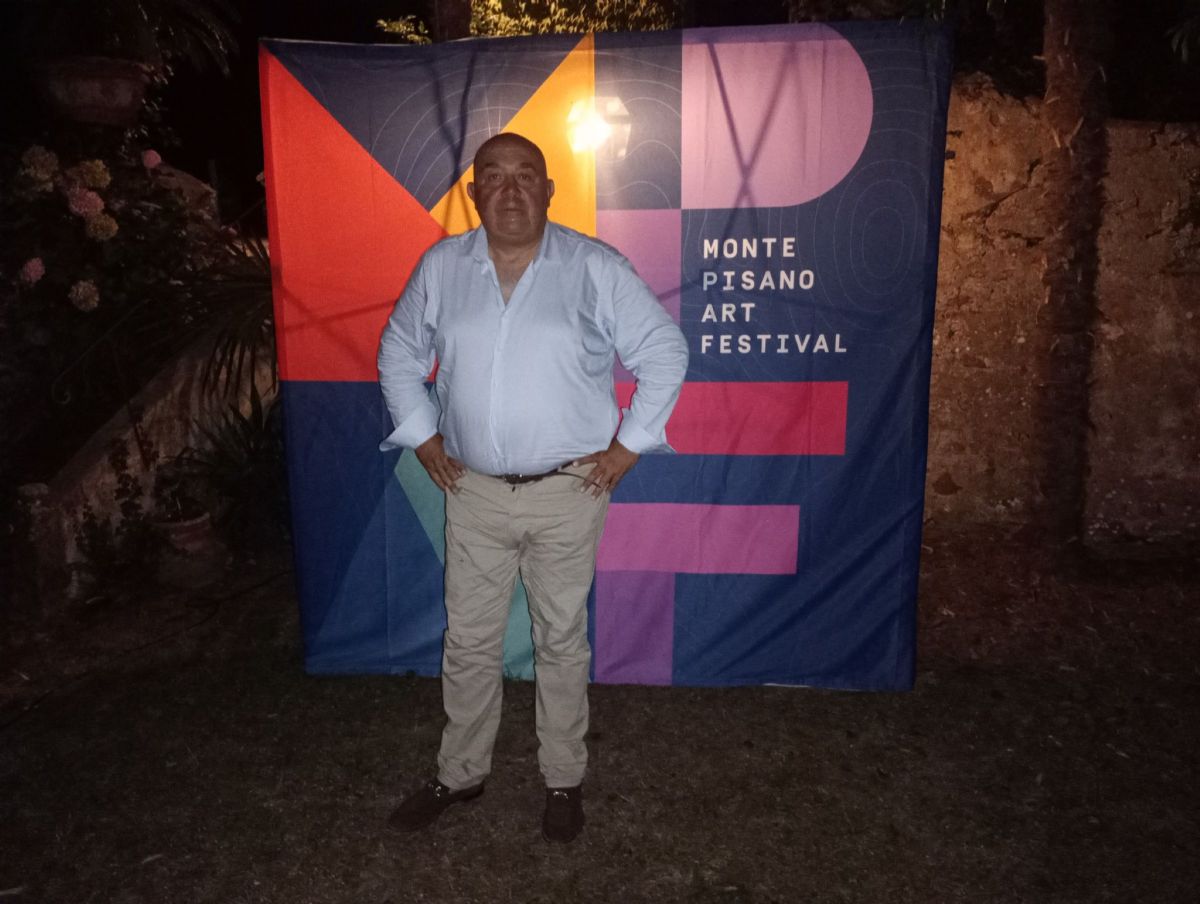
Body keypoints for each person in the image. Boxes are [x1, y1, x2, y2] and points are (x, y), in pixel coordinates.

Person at [377, 132, 688, 843]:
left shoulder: (593, 266)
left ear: (549, 190)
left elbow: (664, 352)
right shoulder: (442, 267)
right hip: (473, 491)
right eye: (494, 176)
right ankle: (461, 774)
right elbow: (398, 352)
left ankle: (563, 779)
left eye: (526, 176)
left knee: (561, 640)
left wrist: (628, 447)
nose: (510, 190)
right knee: (469, 640)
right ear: (474, 193)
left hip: (568, 492)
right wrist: (422, 435)